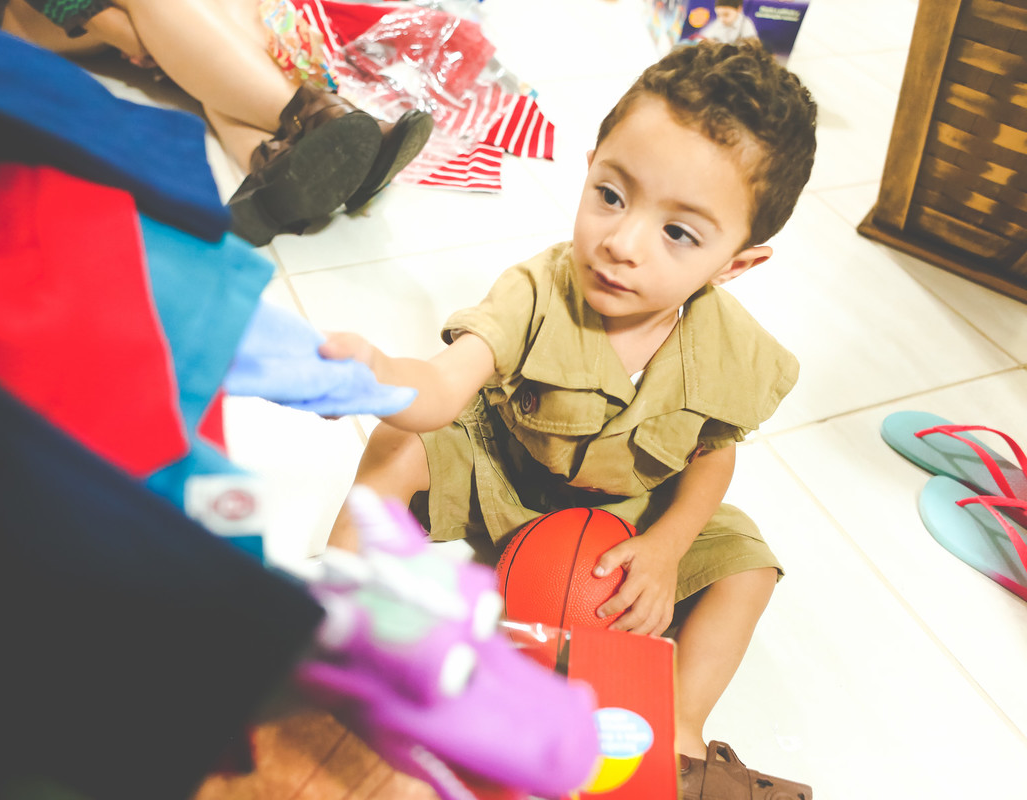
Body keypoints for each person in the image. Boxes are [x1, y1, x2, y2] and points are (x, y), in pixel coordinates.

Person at [319, 39, 817, 797]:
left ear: (735, 263)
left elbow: (715, 449)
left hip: (630, 510)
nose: (622, 242)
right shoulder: (535, 290)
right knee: (401, 439)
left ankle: (679, 732)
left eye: (678, 233)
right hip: (504, 472)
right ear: (589, 169)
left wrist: (667, 546)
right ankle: (343, 611)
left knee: (750, 564)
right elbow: (446, 387)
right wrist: (381, 376)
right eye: (611, 195)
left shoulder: (735, 350)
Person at [0, 0, 435, 245]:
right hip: (24, 13)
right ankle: (321, 118)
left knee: (223, 17)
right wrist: (126, 31)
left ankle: (272, 166)